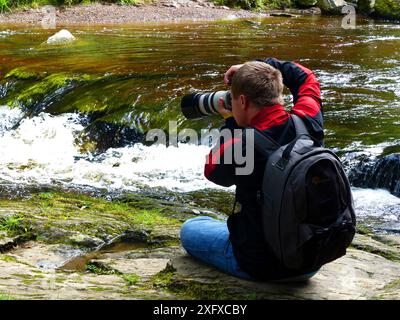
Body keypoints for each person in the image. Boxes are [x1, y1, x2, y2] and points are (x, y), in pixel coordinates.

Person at [180, 58, 323, 281]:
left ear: (243, 101)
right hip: (310, 260)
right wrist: (260, 66)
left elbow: (212, 169)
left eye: (234, 101)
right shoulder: (307, 121)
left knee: (191, 228)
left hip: (261, 265)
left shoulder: (243, 144)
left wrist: (231, 122)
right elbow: (306, 77)